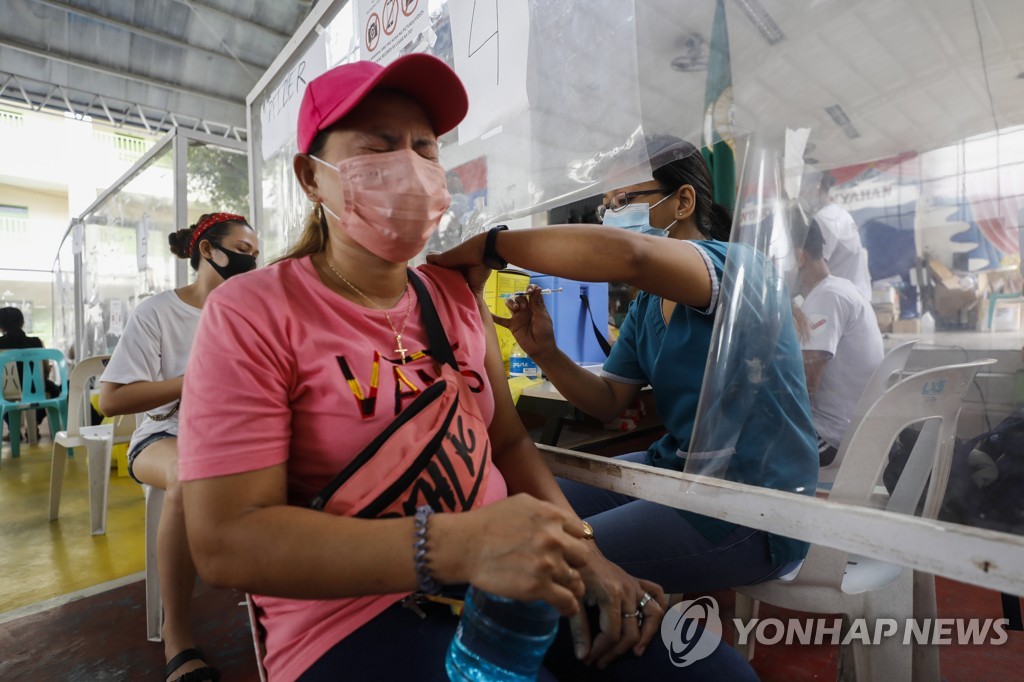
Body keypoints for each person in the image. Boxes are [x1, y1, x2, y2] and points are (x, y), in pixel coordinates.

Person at [177, 56, 757, 682]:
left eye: (425, 149)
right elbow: (226, 542)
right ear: (312, 179)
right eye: (379, 146)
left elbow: (506, 441)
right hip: (353, 616)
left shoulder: (452, 297)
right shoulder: (253, 311)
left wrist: (588, 556)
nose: (411, 167)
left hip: (512, 578)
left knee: (714, 675)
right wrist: (462, 543)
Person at [431, 138, 819, 595]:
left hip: (750, 503)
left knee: (539, 560)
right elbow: (608, 402)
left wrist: (493, 245)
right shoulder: (649, 305)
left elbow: (629, 256)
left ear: (683, 201)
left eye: (624, 201)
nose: (613, 214)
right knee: (513, 509)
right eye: (607, 207)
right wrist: (545, 352)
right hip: (673, 474)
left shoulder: (735, 265)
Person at [99, 213, 259, 682]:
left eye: (255, 252)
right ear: (208, 251)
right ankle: (178, 636)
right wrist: (196, 380)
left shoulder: (248, 312)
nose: (252, 260)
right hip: (164, 436)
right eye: (243, 250)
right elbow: (112, 400)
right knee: (188, 475)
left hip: (231, 435)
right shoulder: (159, 313)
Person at [791, 210, 884, 466]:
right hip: (852, 431)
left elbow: (806, 381)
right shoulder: (840, 289)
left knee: (739, 436)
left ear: (799, 257)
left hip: (828, 438)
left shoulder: (827, 297)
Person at [0, 306, 59, 440]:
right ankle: (33, 426)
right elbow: (46, 369)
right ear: (22, 322)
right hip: (36, 389)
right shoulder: (36, 342)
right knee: (48, 390)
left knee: (3, 396)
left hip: (6, 391)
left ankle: (12, 429)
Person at [813, 173, 872, 301]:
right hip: (857, 294)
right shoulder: (840, 213)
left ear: (816, 187)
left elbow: (816, 267)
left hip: (842, 299)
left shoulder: (824, 219)